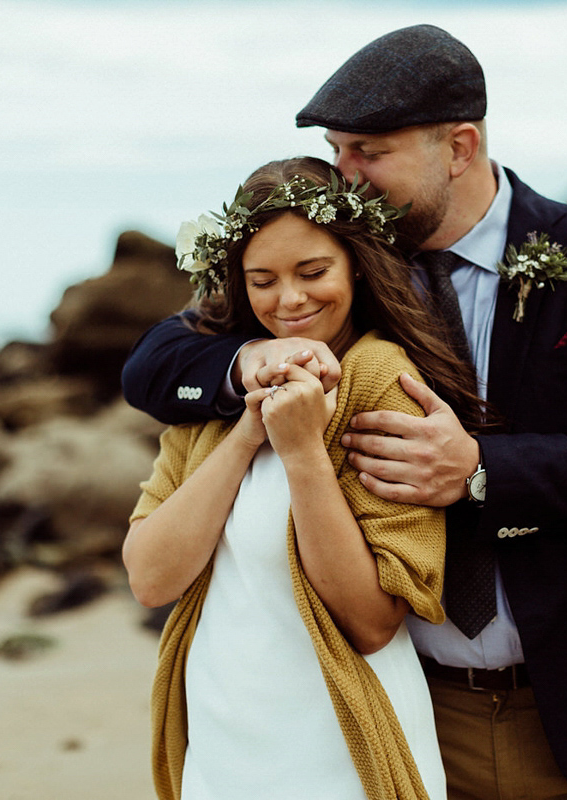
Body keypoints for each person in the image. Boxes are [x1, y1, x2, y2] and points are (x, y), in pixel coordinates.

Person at [122, 26, 567, 800]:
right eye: (337, 149)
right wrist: (242, 361)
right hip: (410, 702)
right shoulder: (341, 268)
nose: (345, 176)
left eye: (368, 153)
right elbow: (155, 362)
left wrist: (479, 471)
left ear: (459, 146)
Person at [123, 156, 489, 800]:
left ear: (356, 264)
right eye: (262, 280)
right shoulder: (217, 395)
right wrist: (247, 432)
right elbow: (151, 578)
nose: (289, 300)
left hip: (339, 748)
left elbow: (373, 623)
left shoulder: (380, 378)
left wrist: (302, 455)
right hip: (221, 740)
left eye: (313, 272)